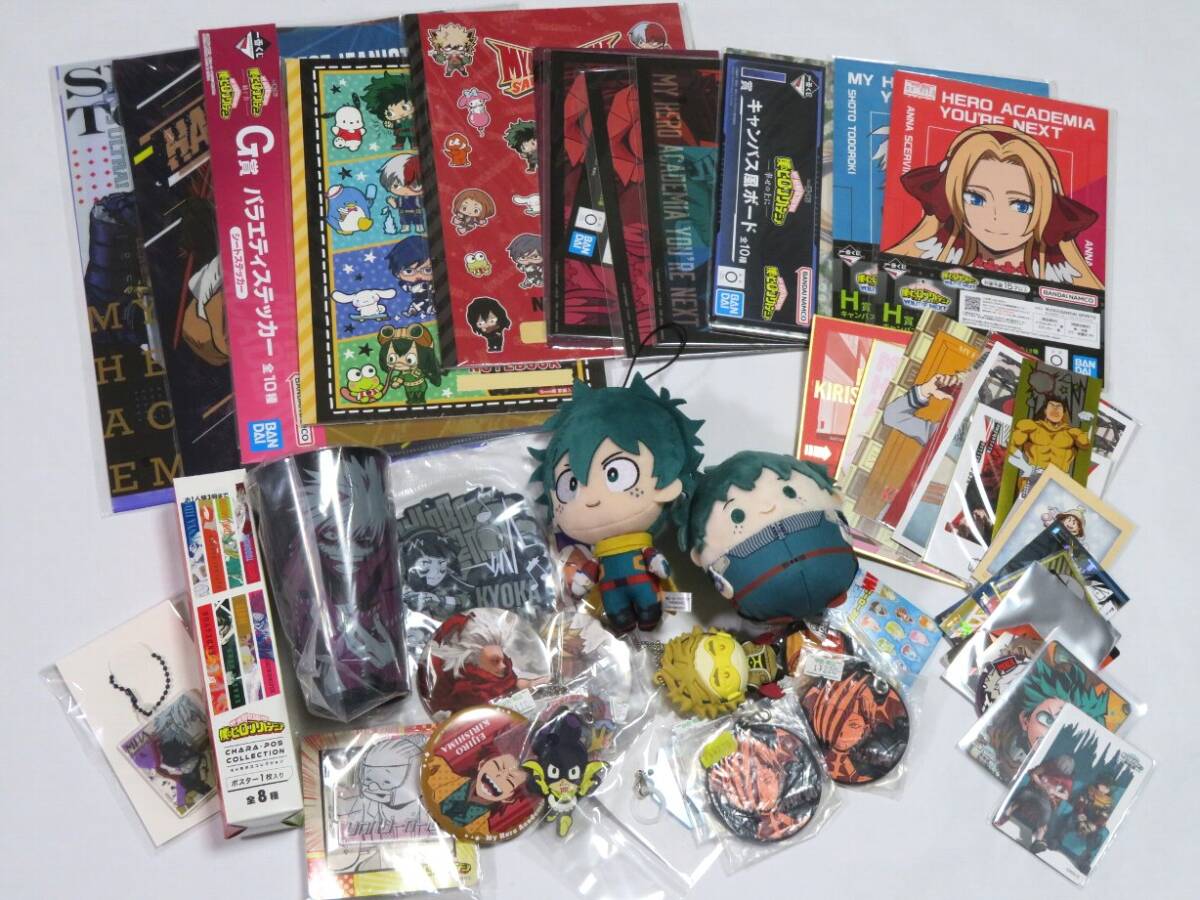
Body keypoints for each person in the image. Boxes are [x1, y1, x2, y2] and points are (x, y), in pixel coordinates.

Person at [884, 124, 1102, 288]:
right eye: (976, 199)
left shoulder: (1063, 279)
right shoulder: (928, 258)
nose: (997, 218)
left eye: (1020, 206)